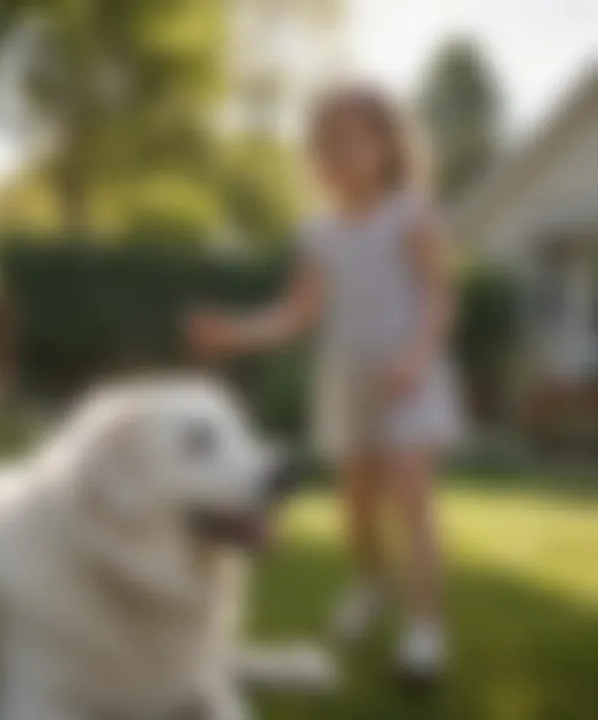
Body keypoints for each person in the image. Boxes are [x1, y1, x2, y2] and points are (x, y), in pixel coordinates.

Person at [185, 84, 460, 681]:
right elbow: (297, 313)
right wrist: (234, 333)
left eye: (354, 139)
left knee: (412, 499)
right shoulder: (318, 234)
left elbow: (439, 300)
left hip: (408, 373)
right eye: (327, 143)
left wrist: (415, 357)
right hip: (346, 376)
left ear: (389, 146)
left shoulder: (411, 215)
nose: (339, 153)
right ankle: (369, 583)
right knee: (357, 511)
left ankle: (425, 633)